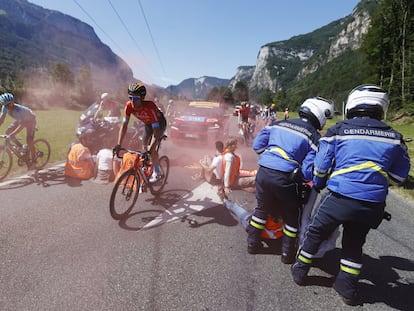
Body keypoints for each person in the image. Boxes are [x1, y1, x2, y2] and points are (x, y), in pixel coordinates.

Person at [291, 85, 410, 306]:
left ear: (353, 104)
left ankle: (300, 271)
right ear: (382, 106)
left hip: (339, 198)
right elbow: (399, 176)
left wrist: (318, 183)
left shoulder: (338, 130)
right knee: (354, 243)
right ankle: (346, 287)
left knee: (315, 232)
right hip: (372, 205)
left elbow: (321, 165)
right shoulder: (395, 137)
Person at [246, 97, 334, 263]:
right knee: (292, 216)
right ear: (320, 115)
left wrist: (271, 159)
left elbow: (257, 145)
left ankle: (252, 244)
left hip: (263, 172)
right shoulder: (314, 136)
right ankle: (287, 254)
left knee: (261, 209)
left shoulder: (277, 124)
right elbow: (308, 172)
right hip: (286, 178)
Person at [113, 82, 167, 183]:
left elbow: (156, 133)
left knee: (152, 149)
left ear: (142, 98)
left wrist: (150, 151)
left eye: (136, 98)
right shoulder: (129, 106)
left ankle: (157, 171)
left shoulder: (150, 107)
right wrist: (119, 144)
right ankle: (148, 165)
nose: (133, 101)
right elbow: (124, 126)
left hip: (159, 124)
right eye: (130, 97)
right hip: (148, 124)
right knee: (144, 145)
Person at [0, 92, 37, 167]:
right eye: (7, 104)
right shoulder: (5, 108)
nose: (10, 105)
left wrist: (12, 134)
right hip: (20, 120)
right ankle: (21, 147)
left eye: (11, 103)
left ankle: (34, 160)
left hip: (30, 121)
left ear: (13, 101)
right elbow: (1, 120)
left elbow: (22, 125)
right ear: (4, 104)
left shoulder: (19, 110)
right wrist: (10, 134)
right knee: (8, 132)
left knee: (29, 141)